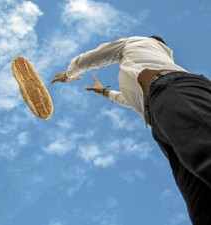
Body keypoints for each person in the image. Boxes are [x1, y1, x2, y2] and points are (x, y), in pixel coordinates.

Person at [51, 36, 211, 224]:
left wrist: (68, 75)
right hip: (157, 113)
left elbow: (98, 55)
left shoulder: (137, 42)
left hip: (171, 88)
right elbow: (132, 101)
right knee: (201, 203)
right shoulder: (144, 65)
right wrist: (105, 92)